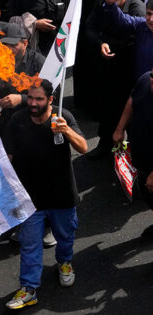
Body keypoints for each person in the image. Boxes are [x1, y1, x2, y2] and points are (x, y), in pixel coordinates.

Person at [3, 80, 87, 310]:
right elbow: (8, 155)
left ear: (50, 100)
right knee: (30, 244)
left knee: (65, 236)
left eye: (39, 99)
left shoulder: (63, 117)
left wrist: (66, 130)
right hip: (30, 199)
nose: (32, 103)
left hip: (62, 196)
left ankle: (65, 263)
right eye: (30, 98)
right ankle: (29, 289)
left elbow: (83, 147)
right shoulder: (17, 120)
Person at [85, 0, 145, 158]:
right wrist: (100, 43)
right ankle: (105, 144)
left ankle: (130, 153)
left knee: (128, 112)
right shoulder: (101, 5)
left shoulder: (135, 6)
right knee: (106, 107)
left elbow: (132, 29)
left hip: (127, 68)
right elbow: (89, 27)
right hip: (106, 67)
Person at [113, 69, 153, 236]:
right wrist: (120, 128)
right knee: (147, 194)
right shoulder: (144, 80)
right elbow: (132, 100)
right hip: (142, 155)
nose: (152, 84)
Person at [103, 0, 153, 80]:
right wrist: (111, 4)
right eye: (149, 14)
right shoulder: (141, 25)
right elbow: (122, 20)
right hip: (140, 86)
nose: (151, 19)